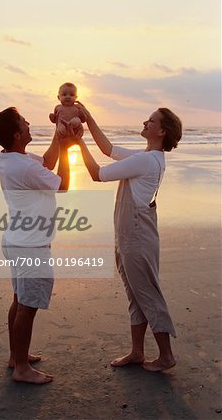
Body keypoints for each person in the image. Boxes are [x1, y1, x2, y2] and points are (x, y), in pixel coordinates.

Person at [76, 105, 182, 372]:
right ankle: (137, 352)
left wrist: (78, 142)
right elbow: (108, 150)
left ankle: (166, 356)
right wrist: (88, 119)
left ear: (162, 131)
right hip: (129, 235)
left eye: (151, 121)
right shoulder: (147, 156)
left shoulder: (146, 160)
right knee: (135, 294)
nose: (145, 122)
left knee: (147, 292)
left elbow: (97, 174)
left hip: (136, 237)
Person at [0, 106, 71, 384]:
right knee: (27, 306)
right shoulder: (21, 165)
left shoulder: (9, 158)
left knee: (19, 300)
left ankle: (16, 357)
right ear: (16, 134)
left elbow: (46, 162)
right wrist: (69, 151)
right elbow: (62, 184)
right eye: (24, 122)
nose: (28, 123)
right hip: (31, 246)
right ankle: (22, 368)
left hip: (16, 240)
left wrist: (58, 139)